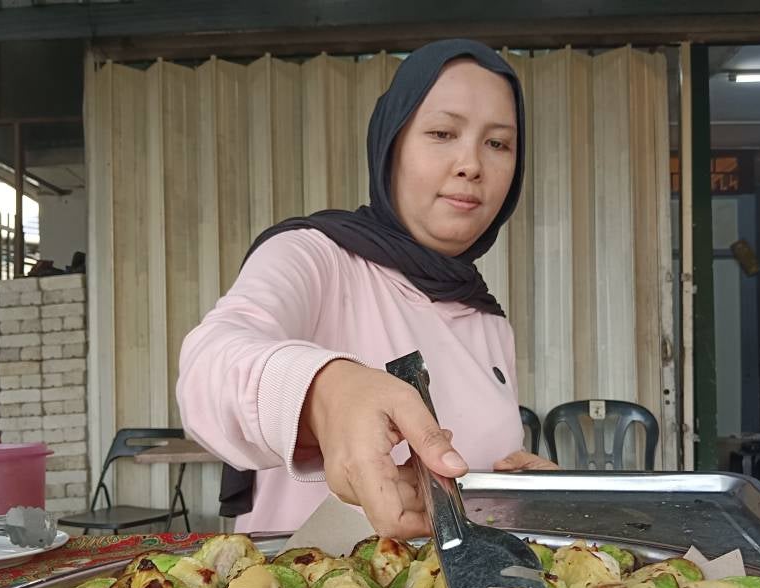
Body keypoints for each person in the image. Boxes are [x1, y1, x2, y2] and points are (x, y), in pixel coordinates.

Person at [177, 39, 555, 539]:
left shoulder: (485, 317)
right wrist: (325, 392)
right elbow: (209, 365)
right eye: (442, 133)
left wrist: (521, 497)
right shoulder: (316, 256)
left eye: (498, 143)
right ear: (390, 145)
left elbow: (453, 491)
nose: (471, 165)